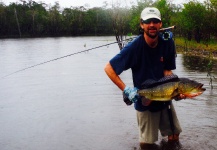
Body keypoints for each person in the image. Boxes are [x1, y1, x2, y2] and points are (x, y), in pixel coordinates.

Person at [104, 7, 183, 149]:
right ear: (142, 24)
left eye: (155, 21)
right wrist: (126, 89)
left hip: (165, 99)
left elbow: (167, 70)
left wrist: (176, 89)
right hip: (145, 100)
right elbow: (109, 68)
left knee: (174, 135)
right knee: (147, 144)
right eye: (148, 21)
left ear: (160, 24)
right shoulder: (134, 47)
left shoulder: (168, 42)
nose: (152, 25)